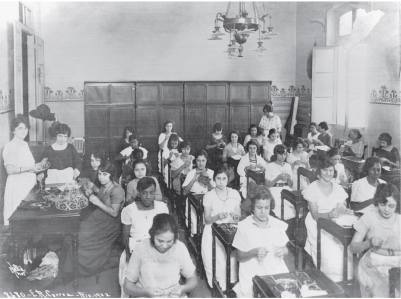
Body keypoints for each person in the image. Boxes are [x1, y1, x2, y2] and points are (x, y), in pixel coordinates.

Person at [51, 161, 125, 286]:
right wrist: (92, 189)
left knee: (76, 240)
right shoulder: (105, 185)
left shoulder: (117, 190)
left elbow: (114, 213)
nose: (101, 177)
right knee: (71, 236)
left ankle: (68, 273)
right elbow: (102, 195)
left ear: (112, 175)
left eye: (105, 174)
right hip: (99, 218)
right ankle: (68, 269)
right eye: (100, 173)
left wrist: (97, 202)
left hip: (109, 224)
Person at [302, 157, 353, 282]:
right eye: (325, 170)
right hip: (317, 222)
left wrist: (341, 207)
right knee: (330, 249)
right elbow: (314, 214)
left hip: (336, 220)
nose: (328, 173)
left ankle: (346, 280)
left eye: (330, 170)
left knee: (345, 246)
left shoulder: (337, 187)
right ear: (319, 172)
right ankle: (329, 280)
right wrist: (330, 214)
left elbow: (343, 204)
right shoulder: (312, 188)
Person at [233, 186, 289, 298]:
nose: (263, 212)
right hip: (253, 272)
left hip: (275, 269)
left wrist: (281, 251)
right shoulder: (244, 226)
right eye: (259, 208)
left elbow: (286, 250)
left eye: (266, 208)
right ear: (252, 207)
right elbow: (239, 256)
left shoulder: (277, 224)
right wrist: (254, 252)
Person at [123, 214, 198, 298]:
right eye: (160, 241)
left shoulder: (180, 247)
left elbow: (192, 278)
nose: (165, 246)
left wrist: (182, 288)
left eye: (169, 241)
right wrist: (144, 292)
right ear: (152, 235)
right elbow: (127, 286)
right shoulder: (141, 247)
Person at [118, 177, 169, 298]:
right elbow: (125, 239)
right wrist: (130, 256)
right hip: (135, 247)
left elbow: (168, 233)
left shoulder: (161, 207)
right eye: (144, 193)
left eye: (151, 192)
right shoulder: (128, 210)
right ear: (138, 192)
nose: (148, 196)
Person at [350, 183, 401, 297]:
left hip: (397, 266)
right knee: (383, 293)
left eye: (391, 206)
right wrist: (369, 242)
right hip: (373, 265)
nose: (387, 210)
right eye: (383, 205)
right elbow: (353, 248)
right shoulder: (368, 218)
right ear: (377, 202)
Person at [201, 167, 241, 290]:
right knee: (214, 257)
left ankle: (231, 283)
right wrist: (217, 216)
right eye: (218, 179)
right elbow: (207, 219)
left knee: (232, 256)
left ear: (228, 180)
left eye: (224, 179)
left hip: (230, 228)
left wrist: (235, 216)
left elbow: (238, 215)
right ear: (214, 180)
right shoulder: (209, 195)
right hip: (213, 227)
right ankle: (217, 285)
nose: (221, 182)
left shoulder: (234, 193)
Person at [2, 114, 42, 225]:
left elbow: (28, 164)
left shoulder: (24, 144)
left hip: (28, 185)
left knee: (28, 219)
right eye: (20, 128)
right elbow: (9, 170)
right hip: (17, 186)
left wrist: (38, 166)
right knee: (19, 219)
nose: (23, 131)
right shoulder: (10, 146)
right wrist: (31, 168)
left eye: (25, 128)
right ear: (13, 130)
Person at [182, 150, 216, 234]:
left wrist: (208, 181)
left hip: (208, 200)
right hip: (193, 200)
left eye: (203, 160)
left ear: (206, 161)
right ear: (195, 161)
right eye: (198, 160)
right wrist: (194, 179)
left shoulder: (211, 173)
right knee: (195, 222)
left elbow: (215, 192)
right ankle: (196, 236)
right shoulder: (191, 173)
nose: (201, 163)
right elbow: (184, 193)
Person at [264, 144, 294, 220]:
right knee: (279, 206)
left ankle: (291, 223)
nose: (283, 156)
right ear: (275, 153)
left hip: (286, 189)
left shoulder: (288, 166)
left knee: (292, 205)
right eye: (280, 154)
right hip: (274, 189)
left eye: (284, 154)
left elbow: (291, 185)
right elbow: (267, 185)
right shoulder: (270, 166)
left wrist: (289, 179)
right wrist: (278, 178)